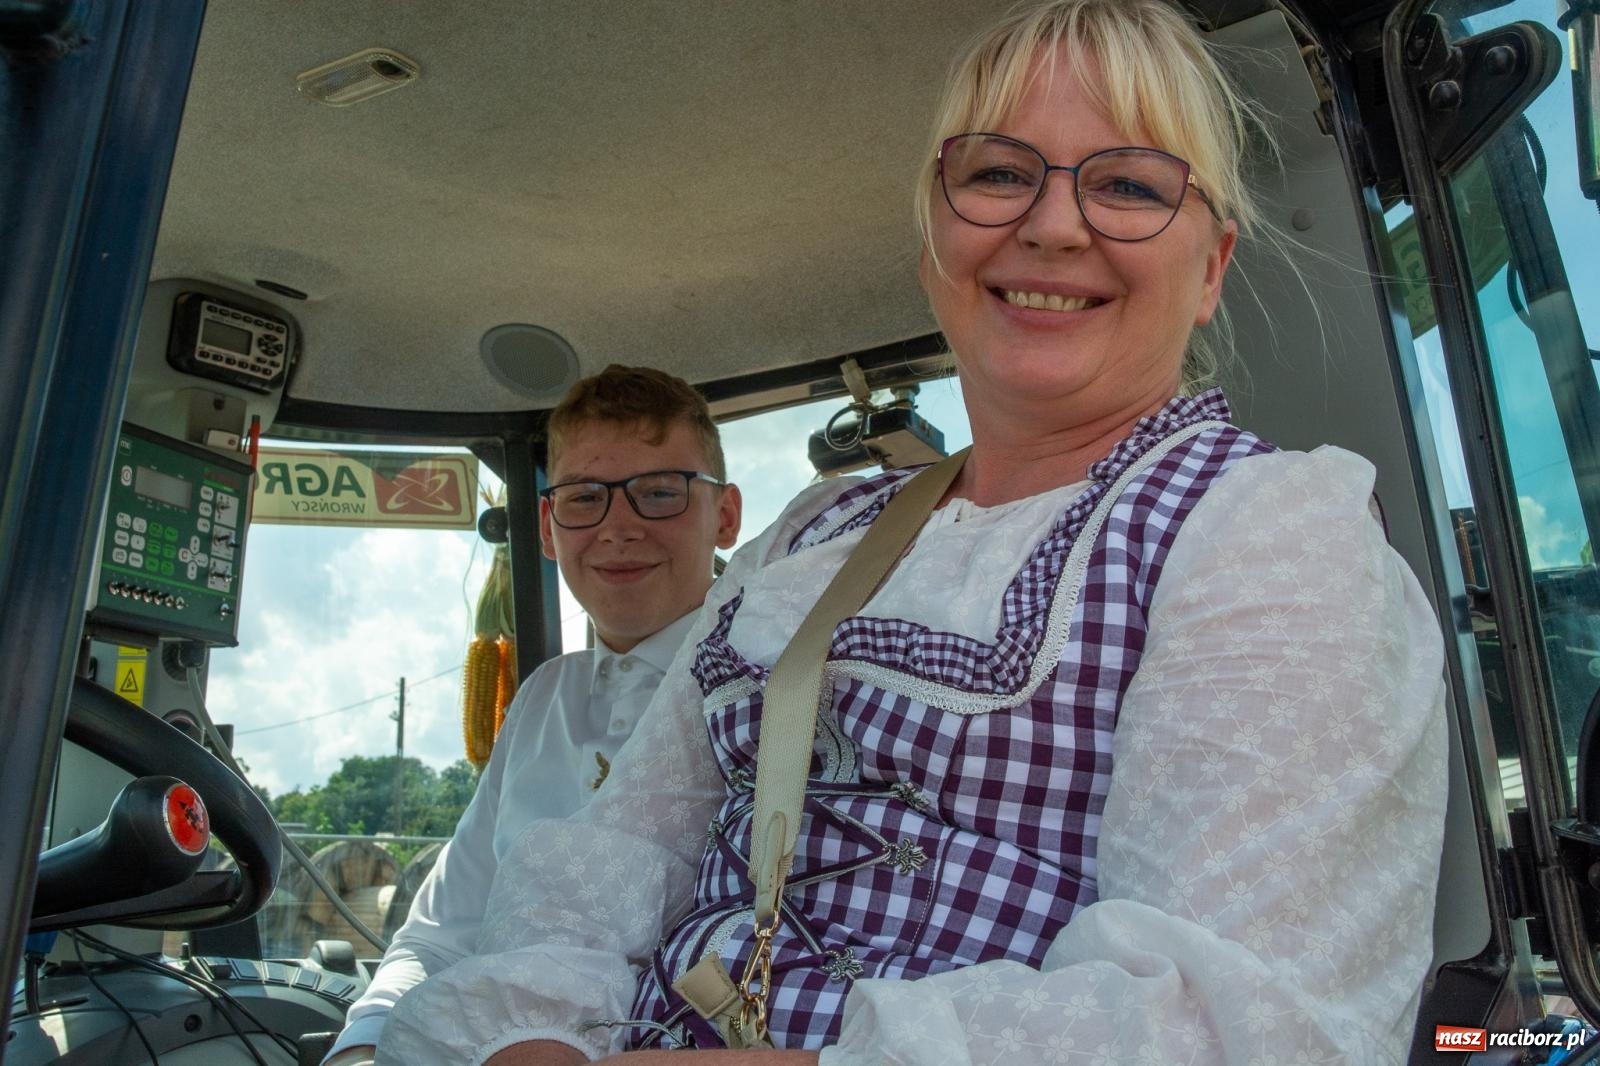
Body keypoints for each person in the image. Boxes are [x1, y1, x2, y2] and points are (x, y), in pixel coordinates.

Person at [378, 1, 1448, 1062]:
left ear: (1210, 266)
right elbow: (607, 865)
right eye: (997, 174)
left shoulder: (1267, 532)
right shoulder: (815, 536)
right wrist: (531, 1038)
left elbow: (1232, 1027)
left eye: (1126, 184)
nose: (1053, 223)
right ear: (935, 236)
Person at [322, 365, 742, 1065]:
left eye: (660, 493)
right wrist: (361, 1046)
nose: (618, 528)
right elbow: (439, 933)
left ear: (725, 514)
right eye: (585, 499)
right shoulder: (543, 698)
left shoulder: (772, 689)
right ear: (549, 527)